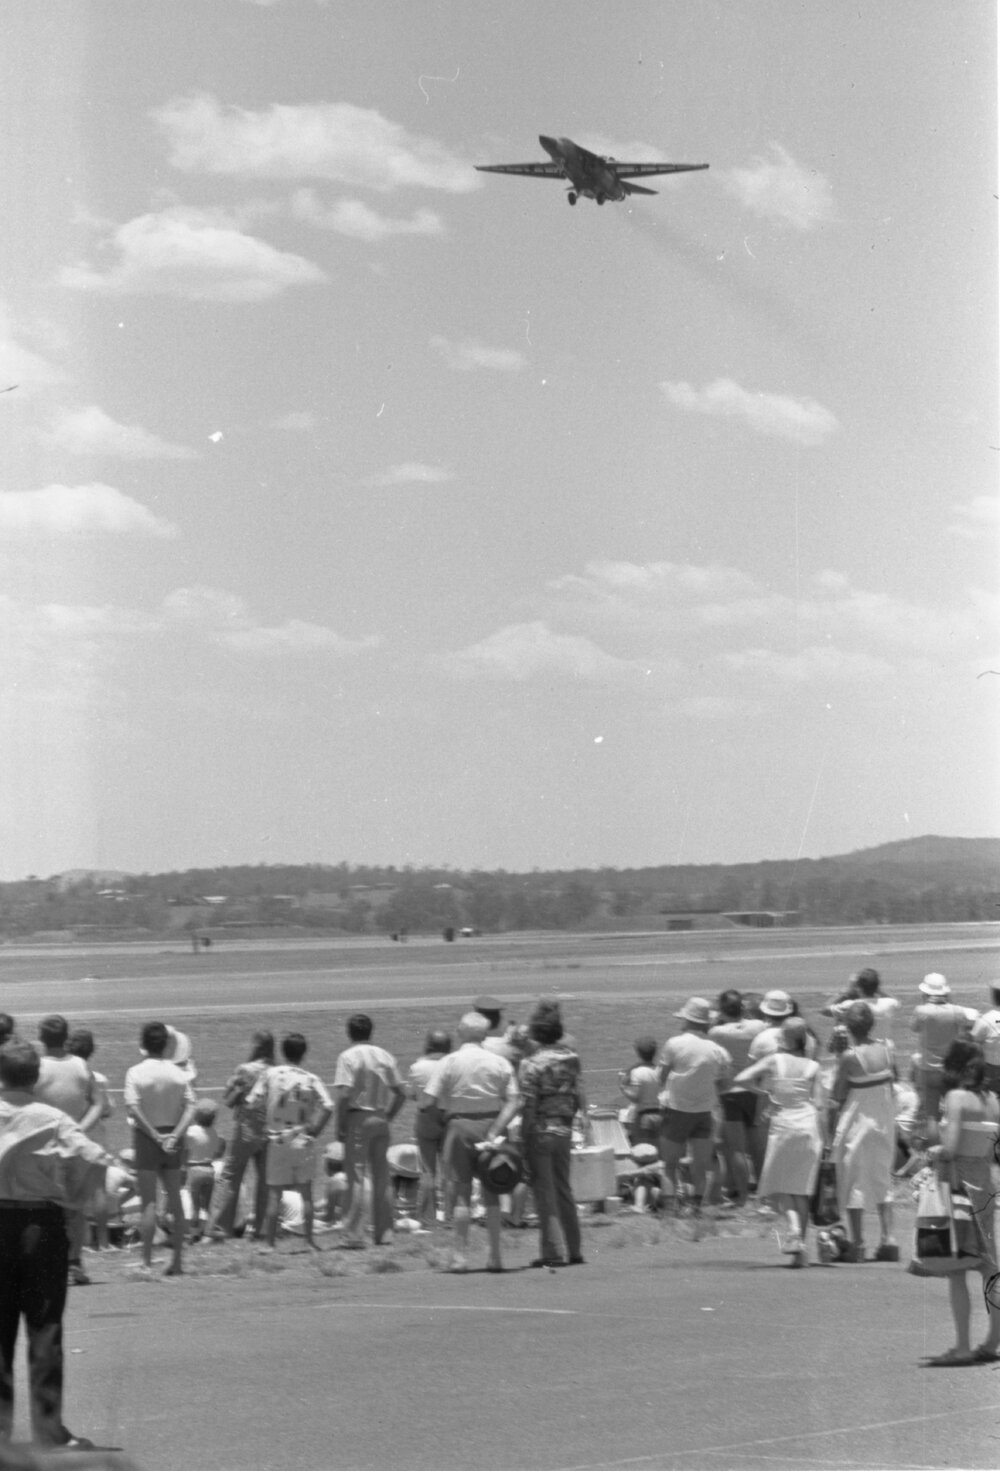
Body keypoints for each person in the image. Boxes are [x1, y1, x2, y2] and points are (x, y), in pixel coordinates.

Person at [0, 1040, 110, 1450]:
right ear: (37, 1077)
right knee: (44, 1329)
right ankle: (47, 1430)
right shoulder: (51, 1118)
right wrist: (73, 1199)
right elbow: (94, 1158)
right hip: (38, 1223)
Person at [919, 1040, 1000, 1366]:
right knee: (989, 1267)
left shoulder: (955, 1098)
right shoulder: (993, 1100)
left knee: (956, 1269)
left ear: (956, 1068)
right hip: (984, 1183)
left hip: (957, 1185)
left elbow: (950, 1147)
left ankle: (963, 1346)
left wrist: (930, 1152)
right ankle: (993, 1340)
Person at [422, 1012, 520, 1272]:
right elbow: (514, 1099)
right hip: (492, 1124)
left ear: (460, 1032)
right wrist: (497, 1128)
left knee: (461, 1193)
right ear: (485, 1035)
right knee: (492, 1193)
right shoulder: (499, 1062)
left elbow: (427, 1101)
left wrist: (443, 1117)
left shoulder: (450, 1061)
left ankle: (460, 1256)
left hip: (459, 1125)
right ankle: (495, 1256)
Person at [734, 1018, 824, 1267]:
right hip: (808, 1126)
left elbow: (742, 1078)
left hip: (784, 1125)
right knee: (801, 1190)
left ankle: (794, 1232)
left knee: (782, 1187)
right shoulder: (814, 1066)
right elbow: (818, 1104)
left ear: (783, 1040)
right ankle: (800, 1250)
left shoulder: (775, 1061)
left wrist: (768, 1095)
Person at [519, 1000, 591, 1269]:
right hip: (564, 1128)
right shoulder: (572, 1059)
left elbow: (528, 1104)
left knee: (544, 1193)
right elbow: (576, 1095)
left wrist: (523, 1136)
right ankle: (574, 1249)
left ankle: (552, 1251)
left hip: (540, 1130)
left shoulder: (531, 1063)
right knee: (563, 1190)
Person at [123, 1020, 198, 1276]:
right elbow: (191, 1106)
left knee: (148, 1202)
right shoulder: (179, 1073)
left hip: (147, 1137)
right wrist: (175, 1135)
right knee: (174, 1198)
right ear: (167, 1045)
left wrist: (155, 1135)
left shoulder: (136, 1072)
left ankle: (146, 1261)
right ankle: (177, 1260)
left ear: (143, 1044)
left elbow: (134, 1107)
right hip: (173, 1138)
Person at [33, 1016, 103, 1287]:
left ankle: (48, 1262)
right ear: (66, 1037)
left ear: (41, 1038)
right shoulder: (80, 1065)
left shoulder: (36, 1067)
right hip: (73, 1145)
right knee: (75, 1208)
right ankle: (74, 1262)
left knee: (43, 1206)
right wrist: (80, 1129)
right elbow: (98, 1103)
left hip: (43, 1145)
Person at [829, 1001, 899, 1262]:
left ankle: (858, 1242)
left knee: (854, 1178)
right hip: (883, 1117)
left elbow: (837, 1092)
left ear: (848, 1026)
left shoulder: (849, 1056)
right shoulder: (887, 1048)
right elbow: (893, 1081)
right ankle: (889, 1238)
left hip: (857, 1118)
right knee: (882, 1176)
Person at [251, 1032, 333, 1251]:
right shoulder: (310, 1078)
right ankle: (308, 1240)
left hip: (277, 1139)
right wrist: (314, 1131)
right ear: (304, 1053)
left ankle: (269, 1243)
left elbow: (253, 1101)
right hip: (302, 1139)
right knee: (306, 1191)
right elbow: (328, 1106)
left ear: (283, 1051)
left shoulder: (270, 1074)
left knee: (275, 1192)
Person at [332, 1015, 406, 1248]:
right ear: (370, 1032)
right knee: (382, 1177)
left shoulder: (348, 1056)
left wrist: (340, 1123)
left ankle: (353, 1234)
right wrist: (389, 1116)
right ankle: (385, 1233)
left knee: (356, 1177)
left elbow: (344, 1095)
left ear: (349, 1032)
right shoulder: (384, 1055)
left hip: (358, 1117)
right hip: (380, 1117)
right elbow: (401, 1092)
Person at [657, 998, 732, 1213]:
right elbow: (725, 1084)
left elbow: (660, 1077)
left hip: (676, 1110)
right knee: (701, 1166)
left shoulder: (674, 1044)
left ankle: (670, 1208)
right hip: (704, 1112)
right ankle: (696, 1206)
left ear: (687, 1020)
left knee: (669, 1165)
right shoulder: (717, 1050)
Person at [206, 1030, 275, 1241]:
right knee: (265, 1180)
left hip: (246, 1129)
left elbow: (228, 1096)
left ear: (256, 1046)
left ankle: (221, 1227)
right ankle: (261, 1229)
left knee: (230, 1177)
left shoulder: (246, 1069)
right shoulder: (277, 1070)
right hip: (270, 1130)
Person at [709, 990, 767, 1203]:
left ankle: (742, 1195)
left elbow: (710, 1032)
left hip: (730, 1092)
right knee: (758, 1148)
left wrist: (717, 1018)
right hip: (754, 1089)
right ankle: (763, 1193)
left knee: (737, 1149)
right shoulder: (758, 1027)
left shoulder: (717, 1032)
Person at [66, 1028, 114, 1252]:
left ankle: (79, 1240)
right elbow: (107, 1110)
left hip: (71, 1135)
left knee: (71, 1191)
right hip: (94, 1136)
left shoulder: (66, 1076)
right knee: (99, 1190)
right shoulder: (99, 1079)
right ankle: (102, 1241)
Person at [909, 974, 977, 1127]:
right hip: (951, 1070)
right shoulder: (957, 1011)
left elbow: (914, 1027)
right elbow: (966, 1026)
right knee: (953, 1115)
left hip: (928, 1069)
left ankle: (933, 1148)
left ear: (926, 993)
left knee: (932, 1116)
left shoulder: (922, 1011)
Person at [407, 1029, 451, 1228]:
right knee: (449, 1168)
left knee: (427, 1169)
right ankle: (450, 1215)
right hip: (449, 1116)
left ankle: (427, 1217)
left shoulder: (418, 1067)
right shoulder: (453, 1064)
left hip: (426, 1116)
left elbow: (413, 1095)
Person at [184, 1100, 223, 1239]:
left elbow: (185, 1149)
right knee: (207, 1205)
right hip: (209, 1170)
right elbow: (217, 1152)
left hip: (194, 1170)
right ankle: (210, 1229)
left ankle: (194, 1234)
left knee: (195, 1206)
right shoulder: (214, 1133)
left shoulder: (191, 1131)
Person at [617, 1036, 662, 1149]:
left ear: (639, 1053)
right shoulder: (660, 1070)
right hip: (661, 1115)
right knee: (658, 1150)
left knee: (642, 1151)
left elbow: (635, 1097)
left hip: (644, 1118)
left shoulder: (637, 1072)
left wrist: (622, 1087)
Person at [823, 968, 899, 1022]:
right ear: (877, 985)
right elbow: (895, 1001)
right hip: (883, 1044)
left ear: (859, 988)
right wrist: (878, 990)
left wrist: (847, 990)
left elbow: (825, 1010)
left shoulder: (851, 1006)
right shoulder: (888, 1003)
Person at [970, 983, 1000, 1098]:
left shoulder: (985, 1019)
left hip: (991, 1068)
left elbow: (974, 1041)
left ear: (994, 998)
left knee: (991, 1099)